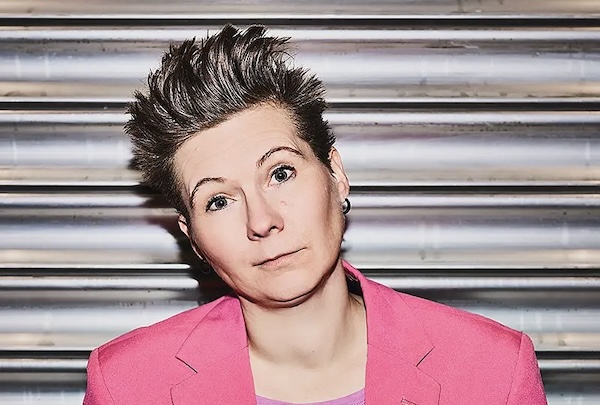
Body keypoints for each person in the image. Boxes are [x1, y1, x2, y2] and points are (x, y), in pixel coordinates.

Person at [83, 24, 547, 405]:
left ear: (336, 175)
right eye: (218, 201)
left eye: (281, 173)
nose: (261, 221)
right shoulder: (126, 385)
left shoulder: (493, 370)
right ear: (193, 237)